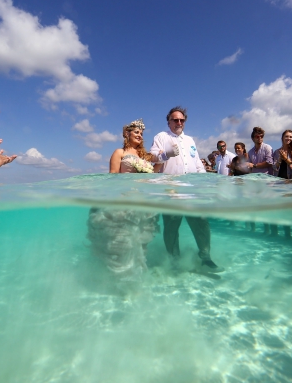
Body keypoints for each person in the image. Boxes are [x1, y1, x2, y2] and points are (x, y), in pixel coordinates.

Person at [88, 119, 160, 280]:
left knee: (142, 241)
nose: (140, 135)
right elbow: (113, 177)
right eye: (136, 132)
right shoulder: (119, 152)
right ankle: (121, 280)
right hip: (124, 201)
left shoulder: (144, 156)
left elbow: (155, 174)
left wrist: (164, 157)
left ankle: (138, 274)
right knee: (123, 242)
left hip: (143, 203)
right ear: (127, 134)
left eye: (141, 134)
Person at [151, 107, 220, 271]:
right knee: (171, 227)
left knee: (201, 222)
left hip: (192, 190)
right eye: (175, 120)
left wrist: (203, 183)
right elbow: (153, 156)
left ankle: (205, 257)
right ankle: (174, 261)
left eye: (182, 120)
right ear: (169, 121)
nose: (179, 123)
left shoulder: (190, 140)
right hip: (170, 189)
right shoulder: (162, 136)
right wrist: (167, 153)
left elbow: (197, 163)